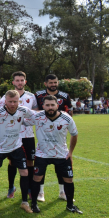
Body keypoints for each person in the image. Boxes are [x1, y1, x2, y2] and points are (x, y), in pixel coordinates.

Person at [30, 95, 82, 214]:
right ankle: (34, 204)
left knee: (69, 180)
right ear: (43, 106)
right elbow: (22, 119)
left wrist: (70, 152)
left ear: (57, 105)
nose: (50, 108)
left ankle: (70, 205)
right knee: (36, 178)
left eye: (52, 105)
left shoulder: (67, 118)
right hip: (42, 154)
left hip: (61, 154)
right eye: (47, 105)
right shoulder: (37, 117)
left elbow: (74, 134)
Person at [0, 90, 36, 213]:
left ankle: (24, 202)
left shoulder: (23, 110)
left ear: (19, 101)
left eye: (15, 101)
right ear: (5, 101)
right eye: (10, 101)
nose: (13, 104)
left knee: (24, 172)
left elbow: (36, 116)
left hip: (16, 146)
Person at [0, 72, 38, 199]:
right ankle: (11, 187)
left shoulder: (31, 97)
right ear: (13, 82)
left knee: (30, 162)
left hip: (28, 135)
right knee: (12, 162)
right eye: (17, 80)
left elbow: (35, 113)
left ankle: (30, 188)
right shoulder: (4, 98)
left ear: (25, 82)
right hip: (12, 136)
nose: (20, 82)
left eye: (22, 80)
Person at [35, 74, 73, 202]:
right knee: (41, 166)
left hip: (59, 133)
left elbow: (70, 112)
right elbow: (35, 112)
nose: (53, 84)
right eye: (51, 82)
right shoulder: (38, 95)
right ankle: (40, 193)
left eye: (55, 82)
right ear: (46, 83)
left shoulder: (65, 96)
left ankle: (62, 192)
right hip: (43, 133)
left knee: (60, 165)